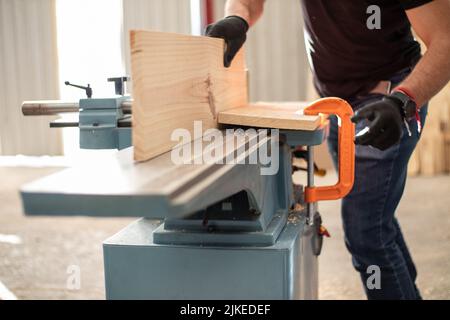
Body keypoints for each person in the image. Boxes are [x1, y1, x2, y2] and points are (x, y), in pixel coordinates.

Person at [206, 0, 450, 300]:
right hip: (337, 103)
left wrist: (403, 101)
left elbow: (446, 41)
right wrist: (238, 19)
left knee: (366, 230)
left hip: (388, 100)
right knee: (374, 219)